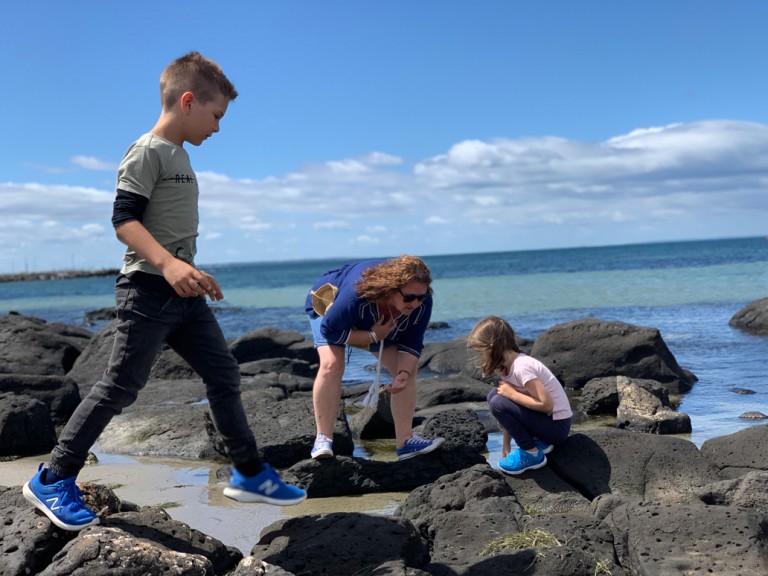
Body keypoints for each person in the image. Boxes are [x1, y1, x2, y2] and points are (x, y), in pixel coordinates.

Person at [23, 51, 306, 532]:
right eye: (216, 115)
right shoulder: (147, 150)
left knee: (224, 374)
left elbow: (168, 233)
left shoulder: (182, 157)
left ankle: (250, 472)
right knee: (120, 386)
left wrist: (190, 270)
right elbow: (123, 221)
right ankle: (53, 476)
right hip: (147, 291)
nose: (218, 127)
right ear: (189, 101)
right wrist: (169, 264)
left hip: (183, 296)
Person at [305, 255, 445, 461]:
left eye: (421, 297)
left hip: (377, 325)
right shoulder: (355, 295)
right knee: (332, 363)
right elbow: (329, 330)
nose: (415, 303)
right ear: (391, 288)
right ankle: (323, 439)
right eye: (409, 297)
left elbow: (412, 343)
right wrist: (372, 336)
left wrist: (403, 374)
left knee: (406, 370)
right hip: (330, 306)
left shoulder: (421, 304)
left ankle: (405, 442)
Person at [467, 316, 572, 475]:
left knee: (498, 402)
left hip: (557, 427)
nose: (481, 357)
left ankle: (532, 453)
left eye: (481, 352)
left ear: (493, 347)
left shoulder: (522, 367)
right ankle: (538, 443)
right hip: (547, 424)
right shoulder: (506, 368)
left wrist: (512, 394)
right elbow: (510, 408)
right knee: (494, 396)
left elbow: (547, 404)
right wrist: (506, 444)